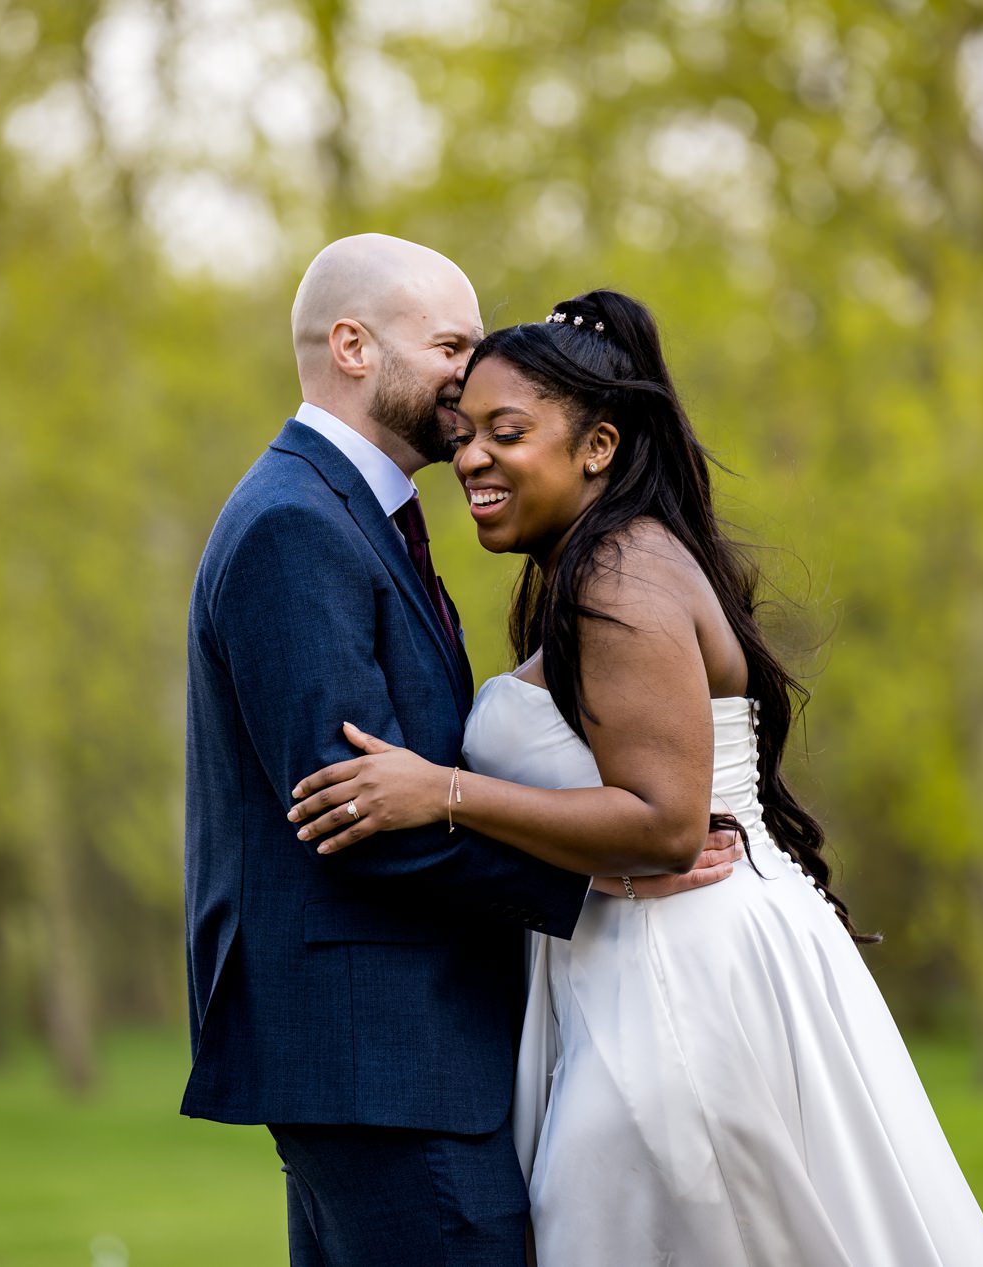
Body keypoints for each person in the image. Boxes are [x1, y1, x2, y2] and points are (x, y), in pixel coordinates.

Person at [288, 289, 983, 1265]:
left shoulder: (616, 580)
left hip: (679, 977)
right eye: (464, 435)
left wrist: (442, 793)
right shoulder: (600, 564)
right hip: (648, 957)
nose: (469, 458)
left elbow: (667, 825)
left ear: (597, 446)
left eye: (506, 432)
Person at [181, 238, 740, 1267]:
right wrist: (598, 875)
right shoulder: (295, 526)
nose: (469, 371)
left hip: (400, 1052)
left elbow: (413, 790)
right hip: (383, 1056)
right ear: (352, 346)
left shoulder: (358, 516)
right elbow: (356, 814)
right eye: (450, 343)